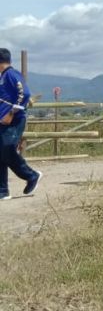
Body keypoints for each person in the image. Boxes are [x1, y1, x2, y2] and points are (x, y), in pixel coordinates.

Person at [0, 48, 41, 199]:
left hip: (15, 120)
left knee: (7, 148)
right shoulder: (3, 76)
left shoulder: (11, 74)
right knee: (1, 153)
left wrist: (11, 113)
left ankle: (31, 175)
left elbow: (25, 93)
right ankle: (2, 191)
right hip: (4, 121)